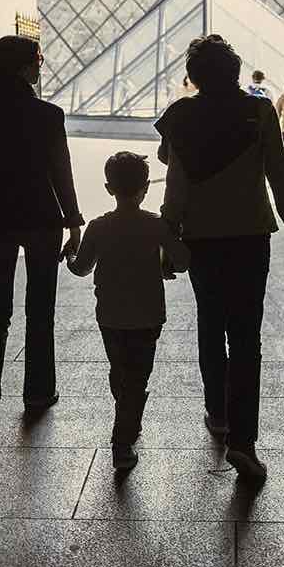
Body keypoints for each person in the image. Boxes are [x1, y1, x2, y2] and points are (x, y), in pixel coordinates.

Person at [156, 34, 284, 479]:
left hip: (201, 236)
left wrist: (168, 235)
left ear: (194, 75)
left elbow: (175, 181)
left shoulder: (180, 116)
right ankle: (244, 440)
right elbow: (281, 181)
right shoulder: (258, 111)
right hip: (249, 235)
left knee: (210, 323)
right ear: (235, 70)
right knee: (246, 336)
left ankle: (217, 412)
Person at [0, 35, 83, 440]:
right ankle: (38, 392)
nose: (41, 66)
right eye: (38, 60)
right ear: (24, 68)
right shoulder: (48, 115)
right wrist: (74, 222)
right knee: (40, 310)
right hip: (41, 219)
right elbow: (62, 172)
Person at [66, 151, 191, 471]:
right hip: (148, 315)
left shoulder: (98, 226)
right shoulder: (155, 225)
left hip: (110, 315)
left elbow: (81, 267)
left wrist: (68, 257)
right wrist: (166, 260)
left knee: (120, 370)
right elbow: (183, 261)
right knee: (138, 375)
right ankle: (122, 438)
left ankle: (126, 414)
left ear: (109, 188)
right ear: (146, 187)